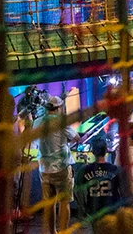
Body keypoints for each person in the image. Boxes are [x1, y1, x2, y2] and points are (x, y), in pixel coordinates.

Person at [34, 95, 78, 233]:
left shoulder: (37, 122)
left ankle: (52, 232)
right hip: (61, 167)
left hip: (44, 169)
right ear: (58, 108)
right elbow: (77, 138)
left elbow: (36, 143)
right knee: (64, 202)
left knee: (49, 204)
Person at [75, 137, 126, 219]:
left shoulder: (84, 170)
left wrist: (82, 207)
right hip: (112, 208)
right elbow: (123, 190)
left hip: (93, 209)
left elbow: (79, 191)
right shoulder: (115, 170)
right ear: (106, 150)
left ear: (92, 152)